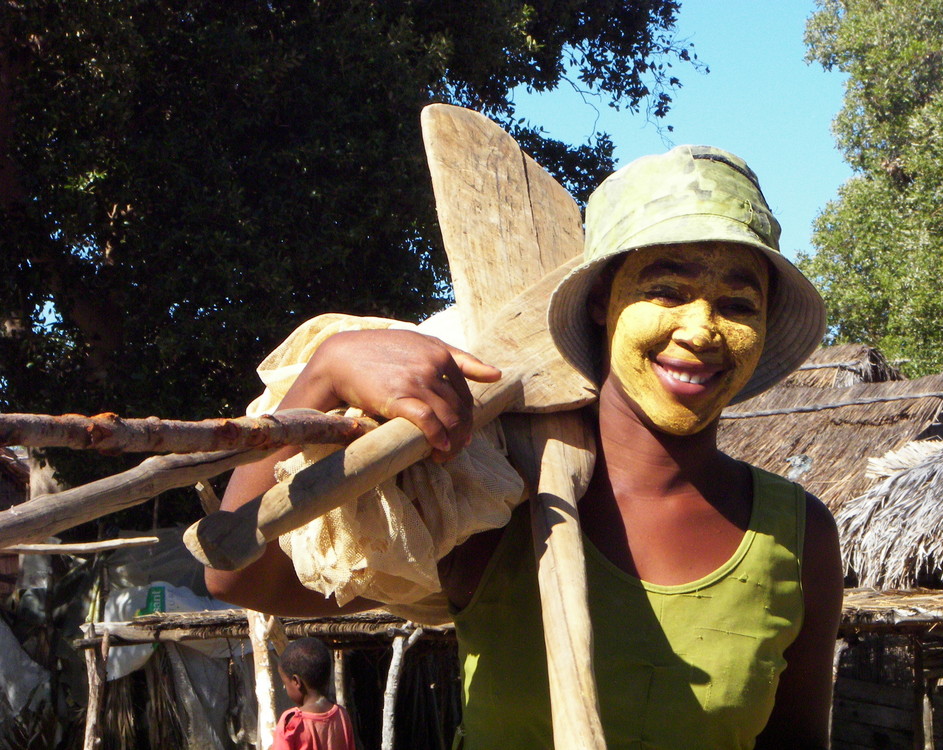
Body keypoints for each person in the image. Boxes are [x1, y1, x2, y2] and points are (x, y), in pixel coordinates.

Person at [207, 145, 844, 749]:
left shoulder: (797, 534)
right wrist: (326, 368)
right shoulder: (494, 490)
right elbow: (236, 571)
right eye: (667, 291)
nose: (702, 329)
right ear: (603, 301)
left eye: (737, 303)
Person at [273, 636, 355, 750]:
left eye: (285, 684)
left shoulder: (291, 722)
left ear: (296, 681)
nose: (285, 688)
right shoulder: (342, 715)